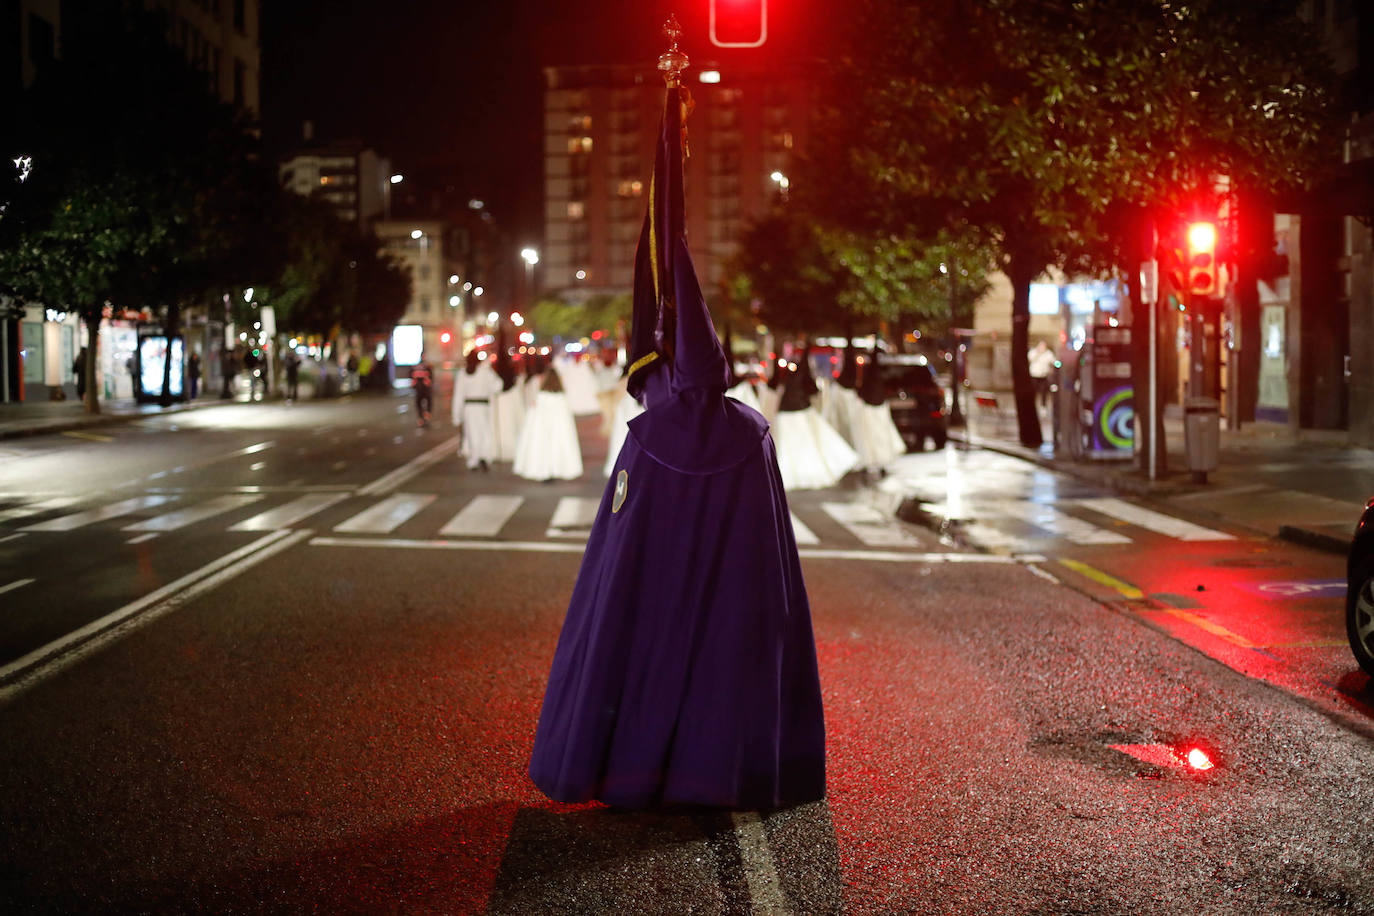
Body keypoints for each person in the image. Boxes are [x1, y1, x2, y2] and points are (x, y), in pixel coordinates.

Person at [529, 79, 825, 810]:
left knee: (643, 642)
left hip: (657, 600)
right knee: (732, 653)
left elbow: (616, 566)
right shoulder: (749, 430)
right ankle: (725, 767)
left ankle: (633, 761)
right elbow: (771, 567)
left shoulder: (650, 436)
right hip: (732, 605)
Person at [770, 346, 859, 490]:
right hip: (798, 411)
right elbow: (811, 390)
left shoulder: (789, 378)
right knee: (803, 445)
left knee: (791, 447)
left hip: (788, 412)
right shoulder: (802, 377)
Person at [513, 364, 583, 481]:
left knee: (544, 450)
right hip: (559, 432)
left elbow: (533, 418)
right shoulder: (562, 399)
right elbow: (567, 419)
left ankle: (545, 471)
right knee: (557, 449)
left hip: (543, 432)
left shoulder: (540, 397)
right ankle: (557, 468)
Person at [851, 346, 908, 472]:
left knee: (871, 437)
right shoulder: (879, 377)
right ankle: (878, 461)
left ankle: (875, 461)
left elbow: (862, 391)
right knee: (878, 436)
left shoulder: (872, 378)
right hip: (877, 407)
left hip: (872, 408)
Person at [454, 349, 502, 471]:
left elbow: (458, 395)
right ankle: (484, 456)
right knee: (485, 431)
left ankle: (473, 459)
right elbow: (498, 385)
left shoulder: (462, 373)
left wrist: (456, 415)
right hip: (483, 406)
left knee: (471, 433)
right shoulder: (485, 372)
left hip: (469, 408)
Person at [1029, 340, 1055, 410]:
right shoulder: (1033, 352)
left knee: (1044, 392)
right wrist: (1039, 353)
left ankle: (1043, 406)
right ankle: (1031, 406)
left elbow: (1054, 361)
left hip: (1043, 376)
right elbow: (1030, 359)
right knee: (1033, 392)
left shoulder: (1048, 354)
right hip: (1034, 376)